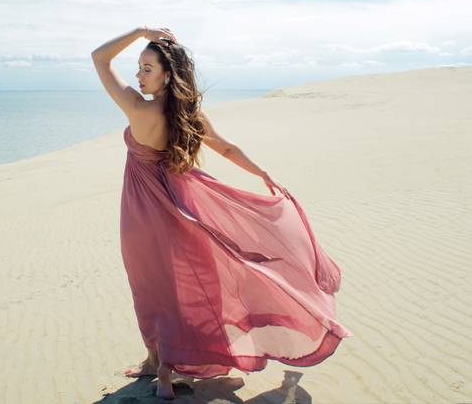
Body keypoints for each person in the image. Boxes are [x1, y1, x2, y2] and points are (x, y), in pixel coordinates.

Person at [91, 26, 352, 400]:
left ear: (167, 74)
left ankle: (158, 363)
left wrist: (138, 31)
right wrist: (261, 172)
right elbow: (226, 148)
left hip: (140, 213)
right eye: (139, 67)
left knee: (150, 287)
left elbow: (99, 58)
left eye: (147, 68)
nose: (138, 75)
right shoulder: (187, 115)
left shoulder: (137, 107)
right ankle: (170, 363)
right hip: (179, 209)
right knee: (190, 286)